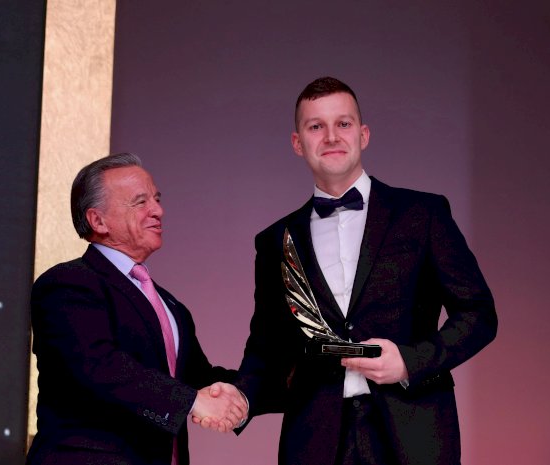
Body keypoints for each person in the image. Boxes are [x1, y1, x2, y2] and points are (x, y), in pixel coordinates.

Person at [236, 77, 497, 465]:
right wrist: (239, 398)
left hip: (415, 435)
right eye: (316, 126)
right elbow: (266, 349)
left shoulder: (422, 215)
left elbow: (479, 314)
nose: (331, 136)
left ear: (363, 134)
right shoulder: (276, 240)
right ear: (297, 143)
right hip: (314, 441)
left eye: (343, 123)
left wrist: (410, 361)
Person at [26, 153, 247, 465]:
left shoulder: (170, 305)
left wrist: (285, 385)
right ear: (98, 221)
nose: (158, 210)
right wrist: (189, 402)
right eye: (140, 202)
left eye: (156, 199)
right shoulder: (67, 284)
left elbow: (200, 380)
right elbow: (99, 366)